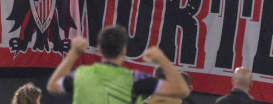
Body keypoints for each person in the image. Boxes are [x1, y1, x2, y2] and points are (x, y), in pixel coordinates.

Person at [47, 25, 191, 102]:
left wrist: (74, 54)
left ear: (99, 49)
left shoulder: (80, 74)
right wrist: (161, 58)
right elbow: (183, 90)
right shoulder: (135, 79)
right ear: (124, 50)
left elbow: (53, 86)